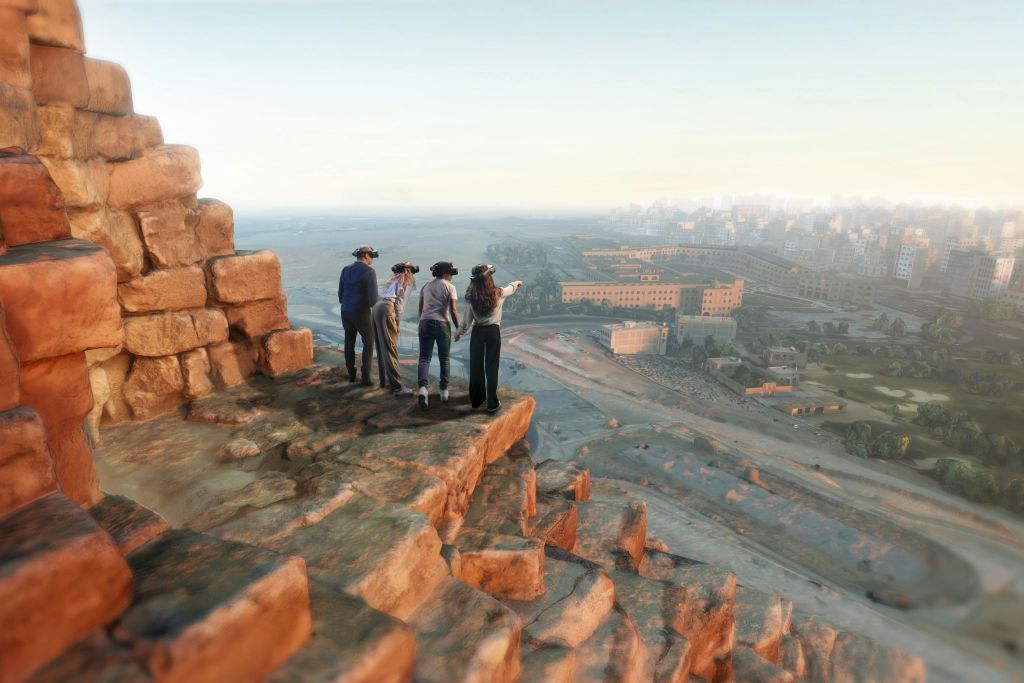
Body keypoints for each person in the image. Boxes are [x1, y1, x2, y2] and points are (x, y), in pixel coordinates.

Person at [455, 264, 523, 413]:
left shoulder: (470, 296)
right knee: (492, 367)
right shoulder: (498, 292)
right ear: (488, 278)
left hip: (478, 332)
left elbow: (467, 321)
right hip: (493, 332)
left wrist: (459, 332)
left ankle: (477, 400)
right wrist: (516, 283)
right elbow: (511, 288)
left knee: (476, 366)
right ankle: (492, 403)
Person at [417, 261, 460, 409]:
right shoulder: (450, 287)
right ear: (445, 274)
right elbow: (453, 310)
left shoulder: (426, 286)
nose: (452, 276)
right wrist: (458, 328)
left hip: (425, 323)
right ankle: (443, 391)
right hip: (442, 324)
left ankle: (423, 390)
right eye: (451, 273)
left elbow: (421, 307)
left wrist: (423, 320)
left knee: (424, 358)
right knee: (444, 358)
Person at [372, 261, 418, 396]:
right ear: (407, 271)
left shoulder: (391, 280)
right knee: (390, 348)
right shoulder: (405, 280)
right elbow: (400, 304)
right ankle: (397, 387)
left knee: (381, 346)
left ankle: (383, 382)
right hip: (387, 309)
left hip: (377, 308)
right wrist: (397, 322)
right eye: (411, 270)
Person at [338, 245, 379, 385]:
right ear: (366, 256)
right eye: (372, 256)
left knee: (349, 341)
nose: (372, 259)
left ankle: (351, 374)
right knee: (368, 341)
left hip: (345, 311)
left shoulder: (345, 269)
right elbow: (374, 300)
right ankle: (366, 377)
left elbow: (340, 295)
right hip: (361, 312)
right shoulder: (370, 272)